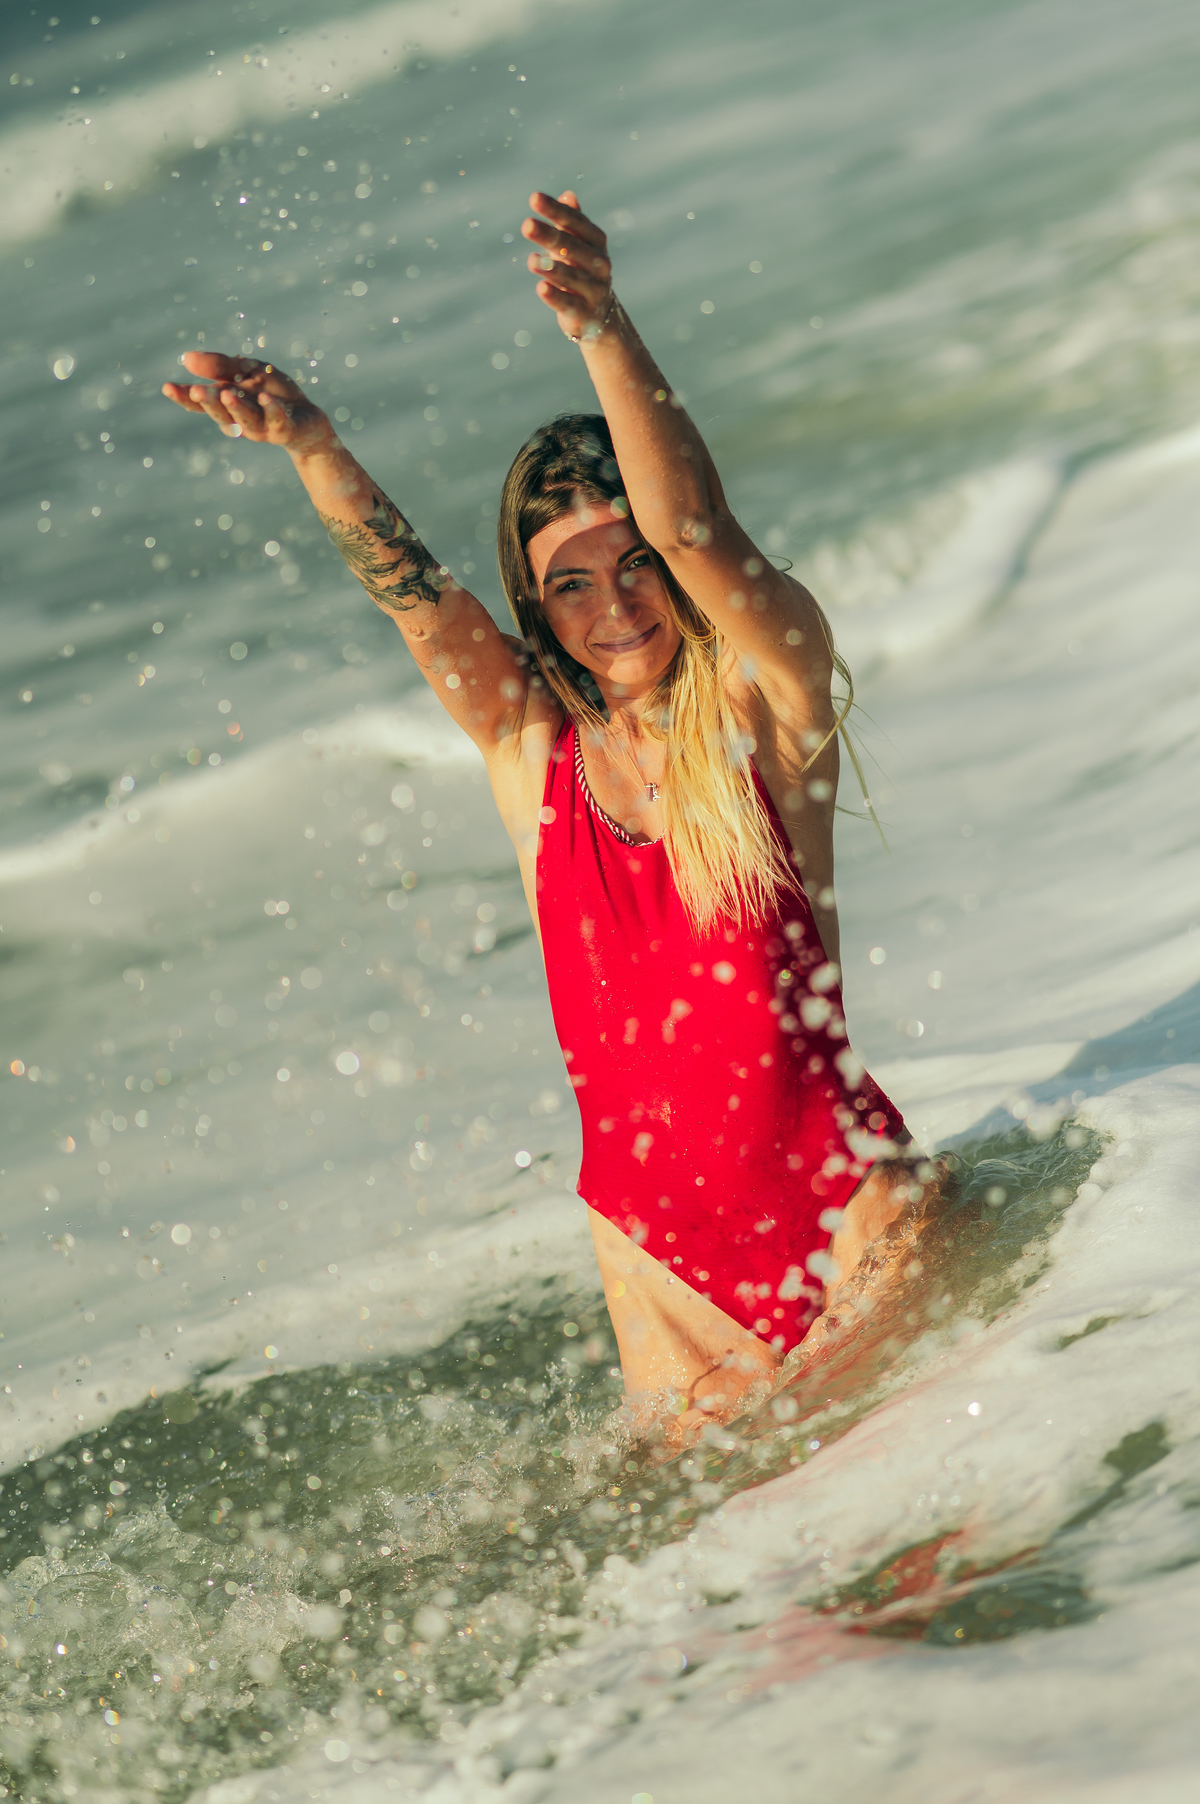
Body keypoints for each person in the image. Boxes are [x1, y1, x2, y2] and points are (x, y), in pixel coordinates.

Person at [163, 190, 934, 1436]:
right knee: (758, 1625)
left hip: (854, 1231)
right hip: (670, 1291)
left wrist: (602, 327)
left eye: (631, 563)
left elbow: (698, 527)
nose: (613, 602)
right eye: (567, 583)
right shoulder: (535, 759)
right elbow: (419, 605)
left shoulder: (763, 714)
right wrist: (314, 448)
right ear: (536, 609)